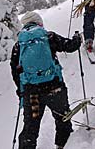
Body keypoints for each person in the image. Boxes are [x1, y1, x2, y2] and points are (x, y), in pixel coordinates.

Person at [10, 11, 82, 149]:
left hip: (32, 93)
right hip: (54, 88)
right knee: (63, 119)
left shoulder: (19, 45)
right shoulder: (48, 36)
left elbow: (15, 70)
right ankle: (63, 146)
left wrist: (21, 91)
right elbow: (70, 46)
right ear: (39, 23)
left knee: (30, 128)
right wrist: (77, 38)